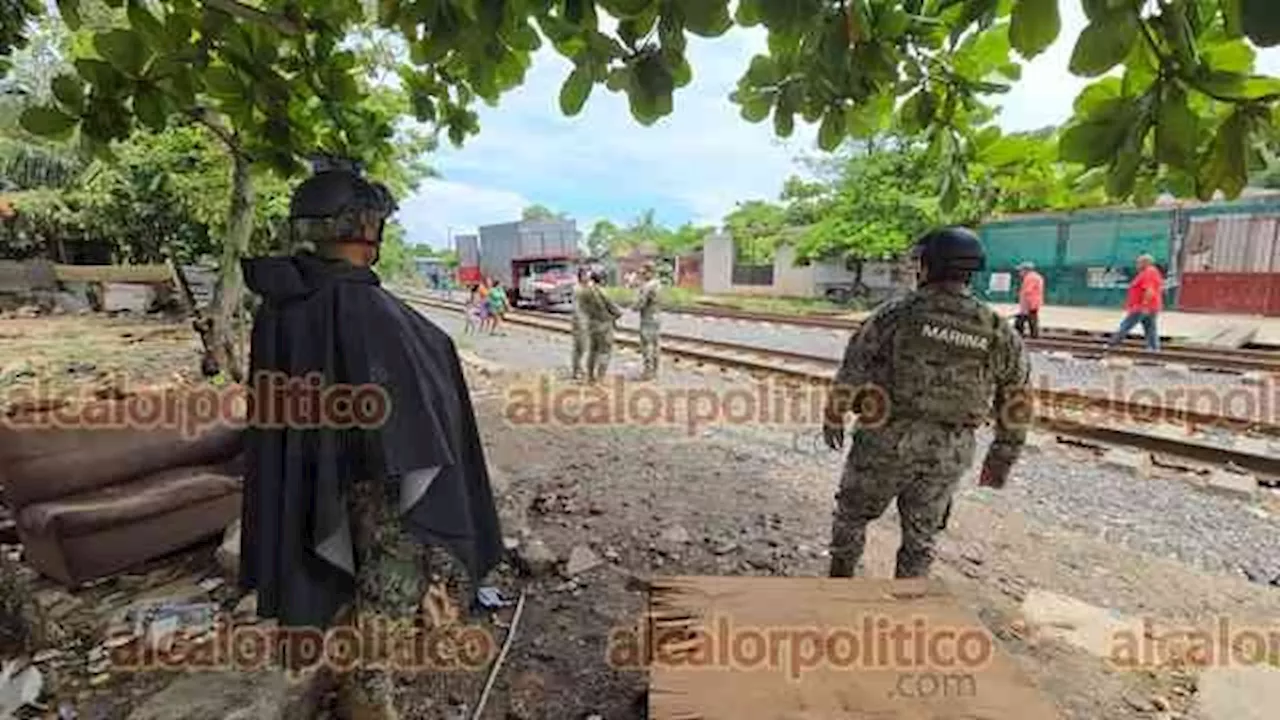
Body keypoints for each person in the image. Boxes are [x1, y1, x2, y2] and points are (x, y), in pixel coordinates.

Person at [239, 162, 504, 718]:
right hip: (374, 475)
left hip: (315, 470)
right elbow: (423, 382)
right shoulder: (360, 305)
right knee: (392, 574)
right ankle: (369, 695)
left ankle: (351, 665)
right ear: (361, 228)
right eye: (377, 223)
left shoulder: (279, 304)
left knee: (338, 567)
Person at [822, 226, 1031, 579]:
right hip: (948, 451)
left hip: (884, 440)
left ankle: (838, 588)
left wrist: (834, 415)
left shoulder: (895, 314)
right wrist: (1002, 457)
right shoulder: (998, 330)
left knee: (852, 517)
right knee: (921, 537)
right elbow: (1017, 398)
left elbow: (854, 365)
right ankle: (907, 606)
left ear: (927, 266)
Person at [1108, 254, 1163, 351]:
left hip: (1142, 307)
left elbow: (1149, 290)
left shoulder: (1149, 272)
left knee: (1125, 325)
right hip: (1151, 307)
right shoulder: (1151, 272)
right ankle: (1154, 349)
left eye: (1138, 262)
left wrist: (1145, 306)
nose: (1136, 265)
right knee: (1150, 329)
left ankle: (1112, 345)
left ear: (1145, 263)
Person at [577, 269, 623, 383]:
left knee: (592, 351)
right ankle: (600, 377)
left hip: (592, 324)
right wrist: (616, 315)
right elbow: (615, 309)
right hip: (604, 325)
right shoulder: (603, 292)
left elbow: (582, 308)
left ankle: (590, 376)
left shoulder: (583, 292)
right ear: (602, 280)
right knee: (605, 352)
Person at [633, 261, 662, 381]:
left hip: (647, 318)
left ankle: (648, 372)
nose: (643, 275)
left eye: (644, 272)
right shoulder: (658, 284)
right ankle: (655, 370)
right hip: (656, 316)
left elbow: (640, 303)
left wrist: (633, 306)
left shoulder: (647, 286)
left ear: (649, 272)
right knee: (656, 344)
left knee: (647, 345)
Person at [1014, 261, 1044, 338]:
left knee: (1021, 320)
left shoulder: (1030, 278)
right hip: (1034, 303)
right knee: (1032, 319)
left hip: (1030, 303)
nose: (1019, 272)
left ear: (1026, 270)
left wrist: (1025, 307)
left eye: (1021, 270)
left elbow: (1027, 292)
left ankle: (1020, 335)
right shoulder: (1036, 276)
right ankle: (1034, 335)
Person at [570, 267, 590, 380]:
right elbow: (576, 308)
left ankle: (581, 368)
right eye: (585, 275)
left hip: (588, 320)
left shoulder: (588, 288)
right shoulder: (577, 289)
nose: (587, 277)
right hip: (579, 321)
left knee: (585, 346)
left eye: (588, 274)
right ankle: (576, 369)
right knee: (579, 346)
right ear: (581, 276)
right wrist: (580, 322)